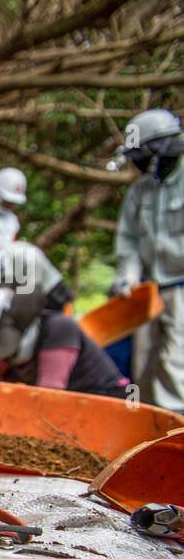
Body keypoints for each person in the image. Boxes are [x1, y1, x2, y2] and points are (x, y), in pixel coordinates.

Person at [114, 108, 184, 412]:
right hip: (148, 291)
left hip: (181, 288)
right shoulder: (139, 192)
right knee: (143, 364)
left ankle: (178, 434)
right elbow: (128, 241)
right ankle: (148, 433)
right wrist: (127, 276)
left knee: (175, 362)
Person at [0, 285, 129, 397]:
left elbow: (48, 397)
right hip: (65, 414)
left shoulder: (59, 329)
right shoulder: (4, 352)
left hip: (105, 400)